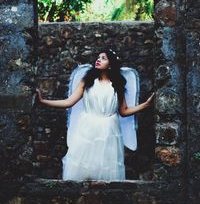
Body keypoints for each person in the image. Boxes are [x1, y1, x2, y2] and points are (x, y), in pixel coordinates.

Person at [36, 47, 154, 181]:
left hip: (110, 129)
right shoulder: (87, 81)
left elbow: (124, 111)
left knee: (106, 173)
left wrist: (146, 105)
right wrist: (43, 101)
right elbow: (68, 102)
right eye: (98, 58)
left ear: (110, 65)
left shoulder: (118, 85)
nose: (98, 60)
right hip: (88, 128)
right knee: (83, 171)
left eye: (103, 58)